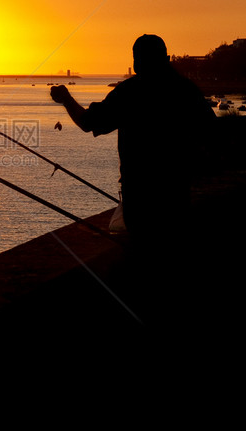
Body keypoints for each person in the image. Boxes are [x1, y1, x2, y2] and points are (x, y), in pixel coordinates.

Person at [50, 34, 214, 324]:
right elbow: (211, 134)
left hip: (141, 197)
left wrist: (65, 99)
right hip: (177, 193)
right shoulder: (186, 90)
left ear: (138, 62)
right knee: (174, 264)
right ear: (166, 58)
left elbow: (89, 122)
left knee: (145, 265)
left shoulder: (130, 92)